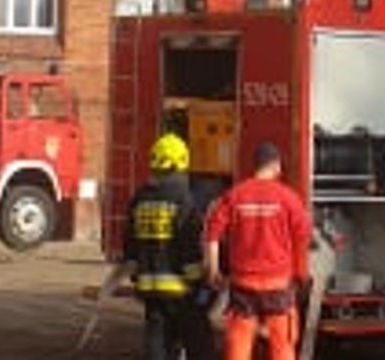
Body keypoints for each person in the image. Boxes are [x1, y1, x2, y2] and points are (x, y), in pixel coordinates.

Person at [204, 142, 311, 360]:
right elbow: (302, 239)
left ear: (256, 165)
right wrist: (301, 275)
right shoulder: (288, 197)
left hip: (243, 285)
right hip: (278, 286)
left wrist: (213, 270)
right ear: (276, 166)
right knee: (282, 345)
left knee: (238, 344)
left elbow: (212, 233)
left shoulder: (235, 195)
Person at [122, 133, 216, 360]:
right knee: (199, 343)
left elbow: (130, 244)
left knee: (158, 344)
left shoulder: (139, 198)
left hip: (149, 287)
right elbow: (188, 244)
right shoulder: (183, 198)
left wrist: (136, 275)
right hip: (180, 289)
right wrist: (200, 281)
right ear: (182, 160)